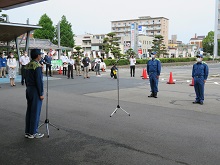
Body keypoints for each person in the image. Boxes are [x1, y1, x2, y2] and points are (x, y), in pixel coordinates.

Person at [25, 49, 44, 139]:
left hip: (28, 89)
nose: (41, 56)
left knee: (29, 110)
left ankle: (28, 131)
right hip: (35, 90)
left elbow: (24, 78)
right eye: (40, 54)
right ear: (37, 56)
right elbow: (39, 81)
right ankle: (33, 132)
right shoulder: (37, 65)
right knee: (35, 111)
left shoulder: (28, 65)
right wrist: (41, 93)